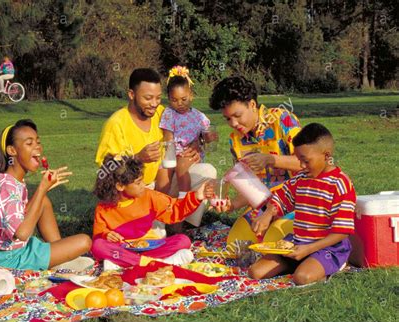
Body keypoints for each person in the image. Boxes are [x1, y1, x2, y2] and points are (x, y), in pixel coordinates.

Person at [95, 68, 216, 229]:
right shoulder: (116, 124)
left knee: (207, 172)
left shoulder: (163, 113)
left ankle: (184, 224)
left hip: (163, 184)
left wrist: (198, 142)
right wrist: (137, 158)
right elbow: (104, 172)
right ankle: (161, 224)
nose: (154, 103)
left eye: (158, 98)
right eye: (148, 98)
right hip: (136, 191)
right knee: (153, 240)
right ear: (131, 94)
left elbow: (188, 129)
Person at [0, 119, 91, 270]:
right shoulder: (6, 187)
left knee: (43, 201)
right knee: (85, 241)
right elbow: (22, 233)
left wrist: (43, 191)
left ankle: (60, 260)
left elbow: (19, 215)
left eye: (38, 142)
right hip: (7, 259)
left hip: (8, 252)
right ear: (12, 151)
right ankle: (59, 261)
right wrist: (42, 188)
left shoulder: (11, 180)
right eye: (29, 143)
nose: (37, 147)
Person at [248, 123, 356, 285]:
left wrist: (309, 249)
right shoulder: (301, 179)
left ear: (326, 156)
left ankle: (336, 264)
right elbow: (281, 198)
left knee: (302, 278)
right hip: (297, 243)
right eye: (299, 160)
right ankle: (299, 264)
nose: (302, 166)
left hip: (327, 249)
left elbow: (341, 232)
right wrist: (268, 214)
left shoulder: (340, 184)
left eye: (305, 161)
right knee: (255, 272)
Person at [209, 76, 303, 243]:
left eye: (237, 115)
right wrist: (232, 205)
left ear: (252, 105)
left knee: (275, 239)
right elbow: (251, 189)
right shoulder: (235, 140)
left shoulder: (282, 119)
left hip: (295, 201)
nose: (234, 123)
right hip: (262, 206)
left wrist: (270, 160)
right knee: (235, 242)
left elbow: (307, 164)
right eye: (228, 118)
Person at [92, 154, 214, 270]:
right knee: (98, 246)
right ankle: (160, 263)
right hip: (123, 249)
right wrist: (106, 234)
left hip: (152, 247)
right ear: (120, 186)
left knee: (183, 241)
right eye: (138, 183)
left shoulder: (149, 196)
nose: (143, 185)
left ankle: (129, 263)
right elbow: (98, 236)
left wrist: (197, 196)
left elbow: (175, 210)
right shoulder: (103, 208)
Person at [157, 66, 217, 200]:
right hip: (172, 152)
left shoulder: (199, 116)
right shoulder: (169, 113)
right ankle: (160, 202)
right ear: (169, 98)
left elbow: (206, 136)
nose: (179, 104)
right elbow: (168, 137)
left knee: (182, 164)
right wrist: (168, 159)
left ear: (191, 96)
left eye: (183, 99)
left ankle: (183, 197)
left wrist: (209, 137)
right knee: (163, 172)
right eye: (174, 100)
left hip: (189, 154)